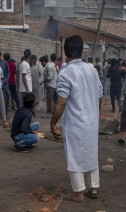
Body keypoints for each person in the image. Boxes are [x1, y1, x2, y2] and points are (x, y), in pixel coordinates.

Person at [50, 35, 103, 202]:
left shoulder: (66, 73)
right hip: (91, 121)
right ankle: (94, 188)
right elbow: (100, 95)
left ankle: (78, 192)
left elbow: (61, 101)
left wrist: (53, 123)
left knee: (74, 154)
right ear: (81, 51)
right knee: (91, 152)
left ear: (65, 52)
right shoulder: (92, 70)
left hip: (75, 122)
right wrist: (94, 112)